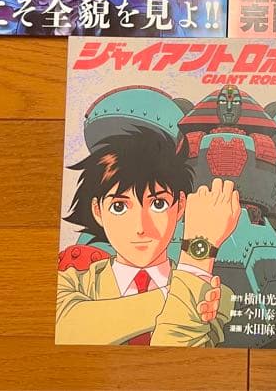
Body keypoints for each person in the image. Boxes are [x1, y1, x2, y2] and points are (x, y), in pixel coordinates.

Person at [56, 126, 241, 346]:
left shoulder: (220, 298)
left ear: (181, 205)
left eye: (158, 204)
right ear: (98, 211)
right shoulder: (71, 283)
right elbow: (68, 330)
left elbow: (173, 356)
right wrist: (193, 271)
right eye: (119, 207)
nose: (141, 227)